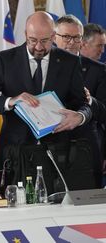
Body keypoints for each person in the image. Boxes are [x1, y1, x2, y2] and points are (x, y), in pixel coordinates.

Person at [0, 12, 92, 193]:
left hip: (57, 156)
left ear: (54, 36)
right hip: (16, 155)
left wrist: (79, 117)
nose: (39, 47)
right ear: (25, 34)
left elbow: (84, 104)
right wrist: (11, 101)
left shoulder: (70, 62)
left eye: (45, 41)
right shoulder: (5, 60)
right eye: (33, 40)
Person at [54, 15, 106, 188]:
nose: (71, 42)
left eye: (76, 37)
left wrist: (91, 101)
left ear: (82, 40)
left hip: (86, 149)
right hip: (50, 149)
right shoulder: (43, 65)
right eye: (66, 37)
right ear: (55, 37)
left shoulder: (98, 70)